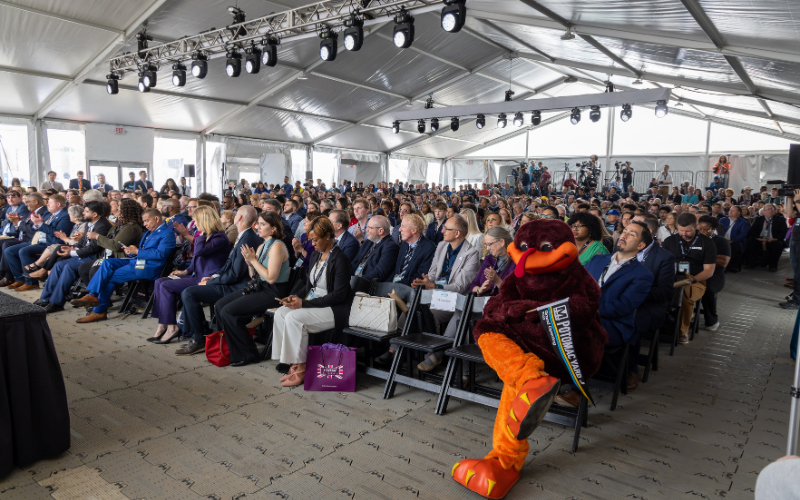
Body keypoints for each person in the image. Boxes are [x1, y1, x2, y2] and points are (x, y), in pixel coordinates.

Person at [378, 214, 480, 368]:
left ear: (457, 233)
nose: (442, 231)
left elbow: (460, 286)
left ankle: (433, 356)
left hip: (454, 300)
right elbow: (432, 273)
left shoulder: (471, 254)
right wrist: (424, 280)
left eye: (447, 229)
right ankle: (394, 350)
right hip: (435, 295)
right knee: (412, 309)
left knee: (423, 313)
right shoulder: (441, 246)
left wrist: (435, 286)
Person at [272, 216, 353, 387]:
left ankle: (301, 367)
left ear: (329, 235)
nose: (313, 244)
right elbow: (309, 286)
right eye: (311, 240)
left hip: (334, 308)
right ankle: (290, 362)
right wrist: (296, 297)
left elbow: (338, 295)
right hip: (314, 302)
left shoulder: (340, 259)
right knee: (281, 313)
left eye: (315, 240)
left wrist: (303, 304)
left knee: (295, 318)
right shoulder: (316, 255)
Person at [172, 206, 262, 355]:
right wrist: (214, 277)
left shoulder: (248, 238)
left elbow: (235, 274)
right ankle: (200, 334)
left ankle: (199, 337)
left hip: (238, 286)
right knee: (189, 293)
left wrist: (210, 283)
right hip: (230, 282)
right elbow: (227, 265)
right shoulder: (244, 235)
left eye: (236, 214)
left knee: (189, 293)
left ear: (238, 218)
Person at [213, 211, 291, 367]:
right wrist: (250, 264)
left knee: (228, 311)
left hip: (274, 292)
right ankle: (231, 347)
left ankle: (248, 353)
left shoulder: (278, 246)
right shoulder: (262, 245)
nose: (257, 226)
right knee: (220, 305)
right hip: (260, 287)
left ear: (274, 228)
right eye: (258, 223)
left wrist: (253, 260)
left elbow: (270, 277)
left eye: (263, 224)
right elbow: (254, 275)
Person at [72, 208, 175, 323]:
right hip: (136, 260)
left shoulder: (167, 234)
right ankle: (92, 295)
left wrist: (137, 252)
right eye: (144, 221)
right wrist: (131, 251)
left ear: (156, 218)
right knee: (107, 262)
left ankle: (99, 311)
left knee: (109, 278)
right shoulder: (151, 232)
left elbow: (160, 254)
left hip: (149, 267)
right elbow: (142, 250)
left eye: (146, 221)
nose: (144, 224)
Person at [148, 206, 232, 344]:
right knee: (159, 282)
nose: (195, 224)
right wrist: (185, 271)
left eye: (196, 220)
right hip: (196, 275)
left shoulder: (219, 238)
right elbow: (197, 260)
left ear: (204, 221)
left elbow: (199, 252)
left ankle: (171, 328)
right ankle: (163, 324)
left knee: (166, 286)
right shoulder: (206, 236)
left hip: (207, 280)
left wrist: (199, 235)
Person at [586, 221, 654, 353]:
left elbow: (623, 306)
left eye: (631, 234)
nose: (624, 235)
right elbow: (577, 284)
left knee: (569, 333)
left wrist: (588, 309)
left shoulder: (643, 275)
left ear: (641, 245)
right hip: (583, 317)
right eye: (624, 231)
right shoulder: (597, 260)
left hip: (612, 325)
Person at [33, 201, 112, 313]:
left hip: (94, 257)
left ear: (95, 214)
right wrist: (72, 248)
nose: (83, 213)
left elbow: (94, 249)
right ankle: (45, 298)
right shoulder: (89, 222)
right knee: (59, 265)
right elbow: (82, 243)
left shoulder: (103, 226)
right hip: (85, 254)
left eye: (86, 211)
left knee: (68, 267)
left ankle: (56, 302)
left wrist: (72, 253)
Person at [630, 213, 676, 389]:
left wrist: (636, 293)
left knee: (630, 323)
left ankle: (631, 369)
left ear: (647, 233)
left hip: (649, 307)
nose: (625, 235)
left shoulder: (664, 258)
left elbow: (664, 292)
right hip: (624, 302)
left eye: (631, 232)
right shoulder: (623, 252)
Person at [662, 213, 717, 344]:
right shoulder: (670, 241)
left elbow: (709, 271)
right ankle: (658, 326)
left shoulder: (707, 243)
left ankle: (682, 330)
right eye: (681, 230)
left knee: (685, 294)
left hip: (695, 279)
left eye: (687, 231)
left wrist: (690, 280)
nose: (684, 233)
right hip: (672, 277)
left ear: (695, 227)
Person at [5, 194, 74, 291]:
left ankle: (31, 282)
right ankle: (20, 278)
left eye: (50, 202)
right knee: (9, 251)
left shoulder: (65, 216)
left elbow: (57, 234)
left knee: (23, 251)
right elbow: (44, 228)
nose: (47, 204)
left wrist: (40, 224)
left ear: (58, 204)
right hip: (40, 241)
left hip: (51, 243)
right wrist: (39, 223)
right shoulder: (53, 214)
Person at [78, 199, 144, 286]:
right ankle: (93, 294)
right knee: (83, 268)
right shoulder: (119, 224)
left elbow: (116, 245)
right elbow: (109, 239)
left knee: (95, 269)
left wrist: (97, 236)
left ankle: (95, 295)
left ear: (127, 212)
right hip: (108, 256)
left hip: (119, 258)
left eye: (120, 210)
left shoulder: (131, 227)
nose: (118, 211)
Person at [697, 215, 730, 331]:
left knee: (708, 289)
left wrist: (703, 257)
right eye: (700, 229)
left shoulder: (720, 242)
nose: (702, 232)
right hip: (696, 271)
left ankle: (711, 320)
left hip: (715, 274)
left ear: (714, 229)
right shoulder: (695, 239)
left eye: (706, 230)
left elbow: (723, 262)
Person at [391, 213, 436, 286]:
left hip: (411, 290)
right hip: (396, 287)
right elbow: (396, 271)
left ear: (414, 230)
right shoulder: (404, 245)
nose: (399, 229)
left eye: (403, 226)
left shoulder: (429, 248)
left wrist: (396, 285)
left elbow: (420, 277)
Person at [351, 215, 399, 282]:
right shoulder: (368, 242)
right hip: (353, 280)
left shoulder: (391, 247)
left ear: (380, 231)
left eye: (370, 228)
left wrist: (358, 281)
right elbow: (355, 262)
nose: (366, 230)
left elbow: (379, 272)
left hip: (366, 285)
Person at [745, 204, 786, 272]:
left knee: (778, 245)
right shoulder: (758, 219)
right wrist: (758, 238)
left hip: (773, 239)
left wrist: (775, 239)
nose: (771, 210)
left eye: (772, 209)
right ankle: (751, 263)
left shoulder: (780, 219)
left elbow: (783, 232)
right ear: (764, 211)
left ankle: (772, 266)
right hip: (760, 239)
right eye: (768, 209)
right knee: (750, 242)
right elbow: (752, 231)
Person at [718, 205, 749, 273]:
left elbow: (742, 234)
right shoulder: (722, 220)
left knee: (733, 248)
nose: (730, 212)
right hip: (722, 240)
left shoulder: (744, 222)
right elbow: (718, 231)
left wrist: (732, 241)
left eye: (733, 210)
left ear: (738, 213)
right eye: (730, 210)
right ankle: (720, 265)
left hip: (736, 241)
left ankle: (730, 266)